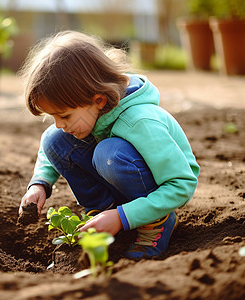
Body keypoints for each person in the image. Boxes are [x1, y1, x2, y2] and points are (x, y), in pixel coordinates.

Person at [18, 31, 200, 259]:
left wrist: (122, 217)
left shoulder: (141, 122)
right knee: (54, 140)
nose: (59, 124)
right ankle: (101, 214)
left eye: (64, 116)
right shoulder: (91, 110)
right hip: (120, 183)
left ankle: (155, 223)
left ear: (99, 100)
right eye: (52, 117)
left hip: (157, 191)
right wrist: (40, 184)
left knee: (110, 154)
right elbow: (51, 145)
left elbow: (181, 184)